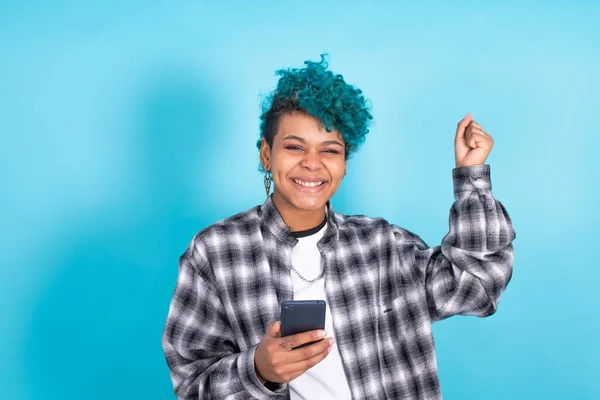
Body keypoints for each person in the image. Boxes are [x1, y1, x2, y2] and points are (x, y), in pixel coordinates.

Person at [161, 54, 516, 400]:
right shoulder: (216, 251)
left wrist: (471, 177)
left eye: (329, 151)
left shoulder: (383, 245)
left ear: (345, 163)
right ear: (266, 154)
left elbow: (477, 285)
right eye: (294, 147)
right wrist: (259, 370)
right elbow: (192, 384)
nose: (312, 164)